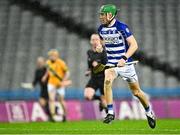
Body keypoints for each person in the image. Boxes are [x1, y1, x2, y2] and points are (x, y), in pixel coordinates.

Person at [97, 4, 156, 128]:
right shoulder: (101, 29)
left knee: (137, 92)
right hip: (112, 64)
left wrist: (124, 58)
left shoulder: (121, 27)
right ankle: (111, 112)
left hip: (126, 65)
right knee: (107, 80)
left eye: (103, 14)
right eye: (101, 14)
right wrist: (100, 46)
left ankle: (148, 111)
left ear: (110, 15)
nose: (101, 17)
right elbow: (103, 42)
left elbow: (134, 45)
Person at [42, 49, 71, 122]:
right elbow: (48, 70)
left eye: (53, 55)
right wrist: (45, 76)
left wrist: (64, 81)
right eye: (51, 55)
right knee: (51, 99)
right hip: (51, 83)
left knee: (61, 100)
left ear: (56, 56)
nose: (52, 57)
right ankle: (52, 116)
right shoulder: (48, 62)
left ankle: (64, 114)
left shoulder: (61, 63)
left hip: (59, 85)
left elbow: (67, 72)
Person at [84, 34, 107, 112]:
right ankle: (100, 98)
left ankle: (110, 117)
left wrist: (98, 66)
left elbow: (107, 66)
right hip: (94, 78)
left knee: (105, 103)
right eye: (93, 40)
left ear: (100, 41)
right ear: (90, 41)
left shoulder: (104, 52)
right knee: (87, 96)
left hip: (103, 78)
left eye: (96, 39)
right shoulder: (89, 52)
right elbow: (90, 65)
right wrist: (88, 70)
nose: (95, 41)